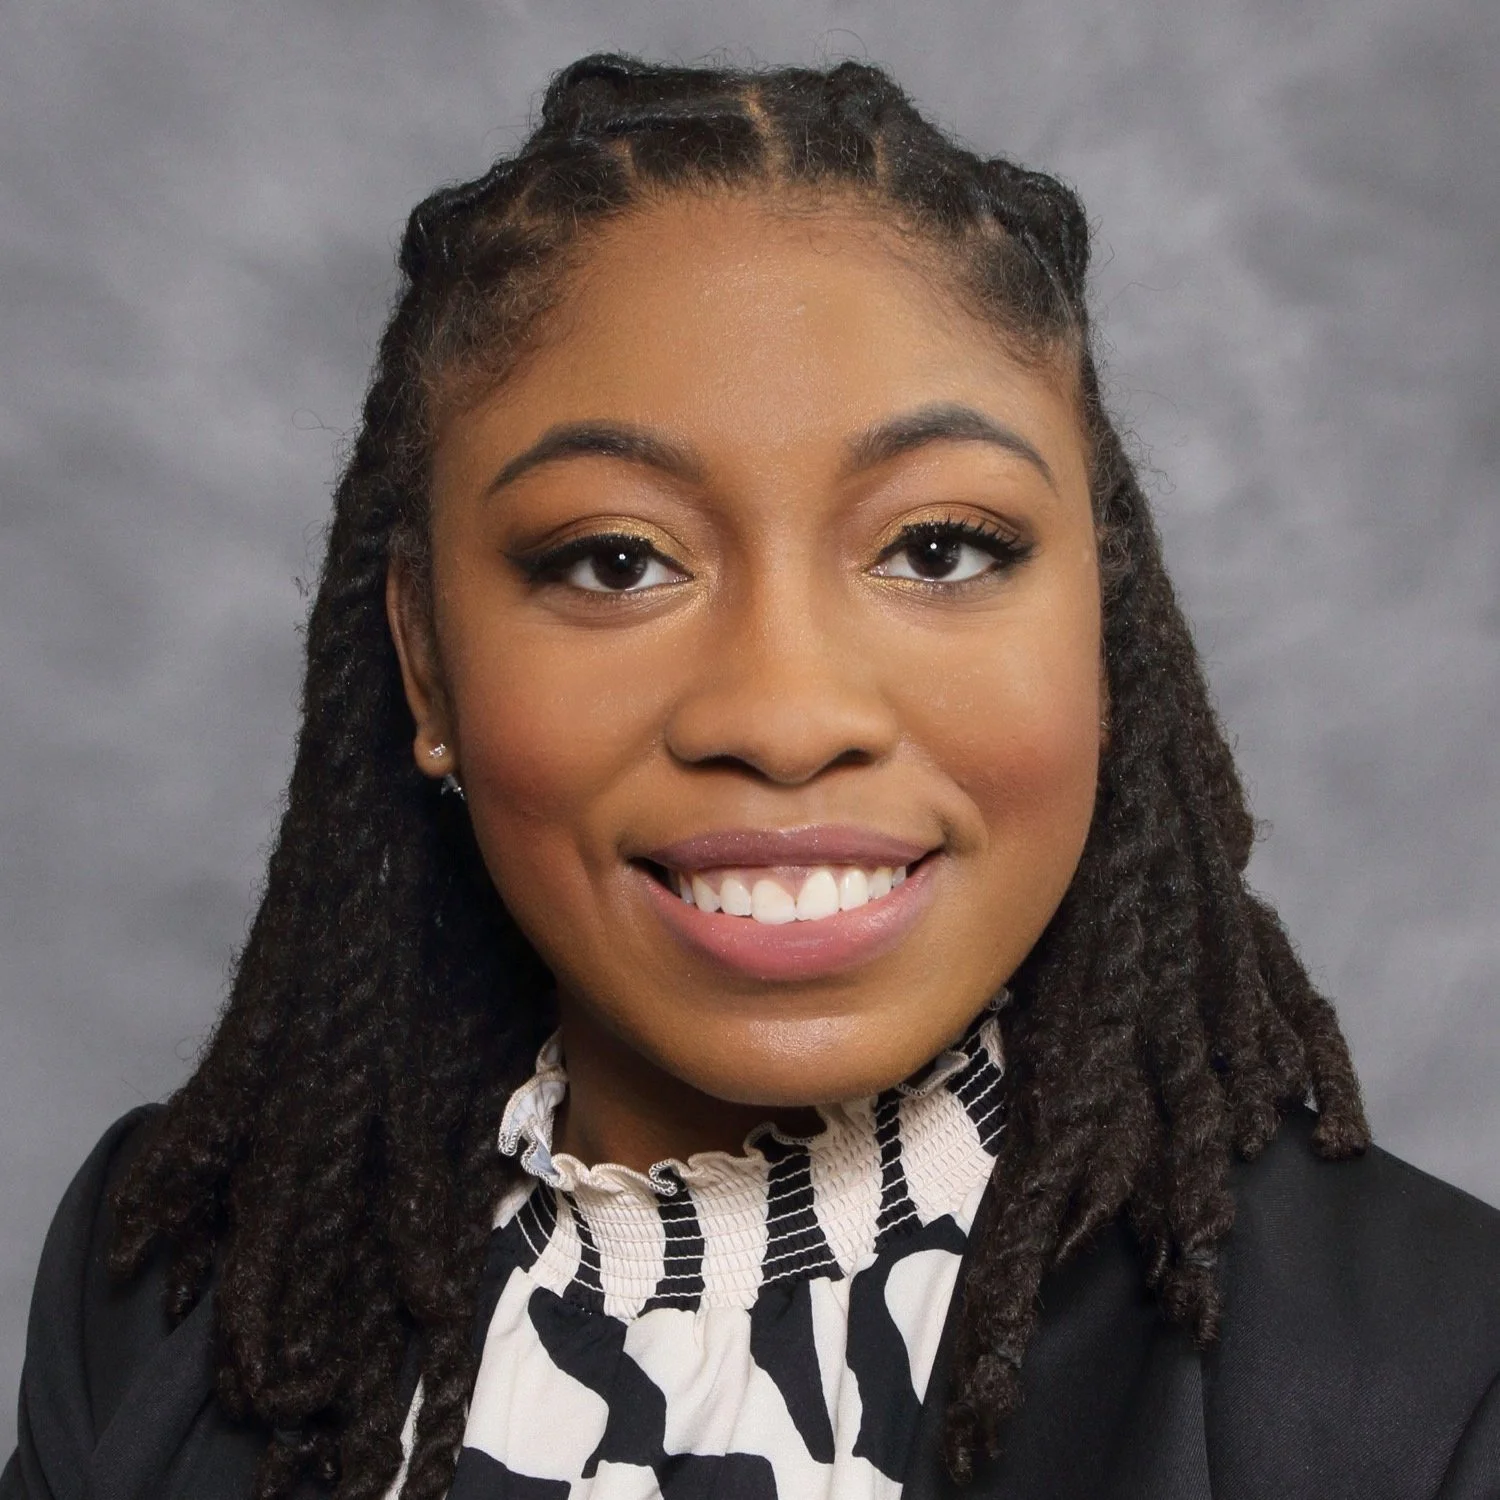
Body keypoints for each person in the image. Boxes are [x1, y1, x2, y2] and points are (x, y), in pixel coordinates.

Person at [4, 51, 1497, 1500]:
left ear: (1110, 634)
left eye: (937, 549)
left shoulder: (1428, 1386)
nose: (785, 717)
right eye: (615, 559)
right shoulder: (166, 1295)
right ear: (424, 660)